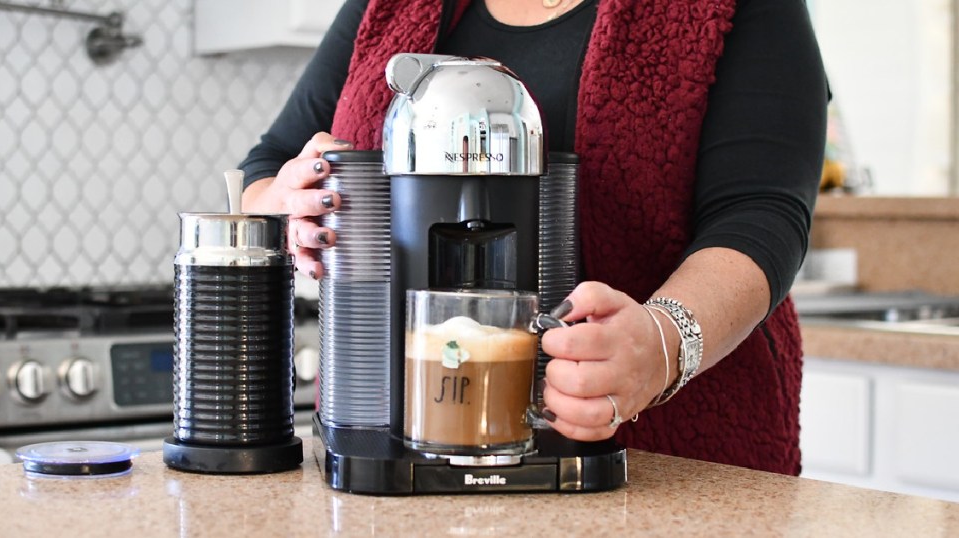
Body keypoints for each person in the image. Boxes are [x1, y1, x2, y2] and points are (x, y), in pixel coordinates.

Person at [239, 0, 827, 475]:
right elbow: (270, 163)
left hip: (676, 455)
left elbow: (762, 213)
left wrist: (663, 343)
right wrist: (285, 204)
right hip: (381, 431)